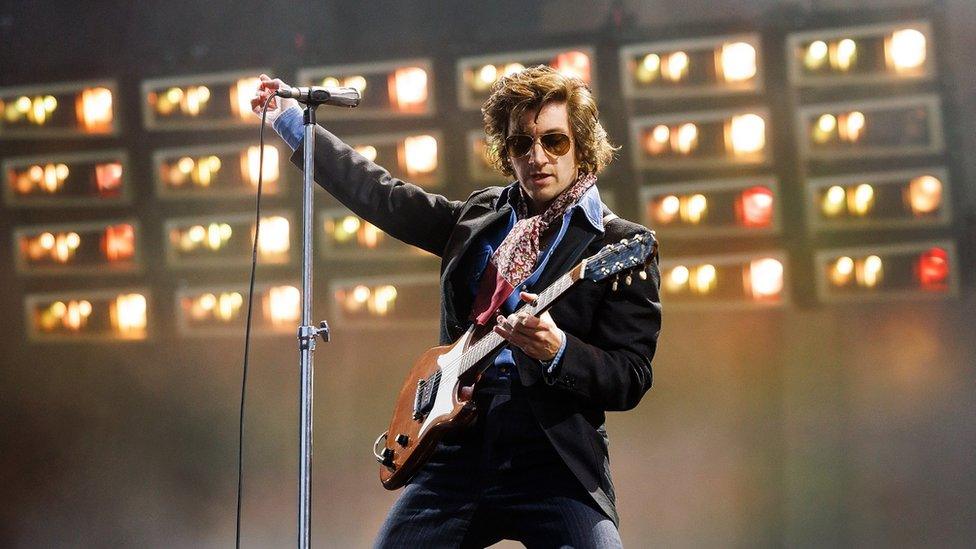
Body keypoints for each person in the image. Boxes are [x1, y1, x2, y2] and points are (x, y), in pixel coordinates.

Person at [252, 65, 661, 548]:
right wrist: (291, 124)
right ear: (506, 152)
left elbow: (630, 375)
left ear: (583, 146)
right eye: (521, 145)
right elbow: (385, 198)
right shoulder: (481, 216)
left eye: (554, 142)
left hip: (552, 457)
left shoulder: (618, 245)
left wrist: (559, 349)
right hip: (459, 447)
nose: (537, 158)